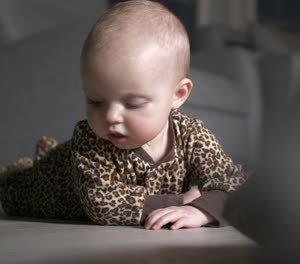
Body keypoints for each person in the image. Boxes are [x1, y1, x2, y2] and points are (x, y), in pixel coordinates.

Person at [0, 0, 246, 230]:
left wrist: (203, 210)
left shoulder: (191, 136)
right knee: (11, 187)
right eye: (96, 101)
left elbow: (231, 182)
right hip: (44, 188)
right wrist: (182, 200)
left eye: (133, 103)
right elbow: (102, 204)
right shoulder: (92, 141)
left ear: (178, 94)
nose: (111, 116)